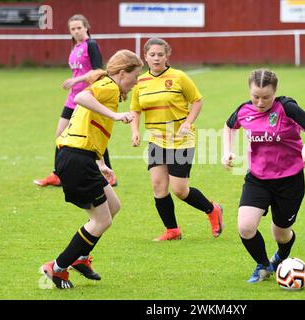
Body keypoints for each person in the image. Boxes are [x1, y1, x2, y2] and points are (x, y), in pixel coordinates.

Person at [41, 49, 143, 289]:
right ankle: (57, 268)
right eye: (134, 76)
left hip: (82, 157)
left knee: (113, 206)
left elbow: (86, 124)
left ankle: (81, 258)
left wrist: (100, 162)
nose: (136, 81)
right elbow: (80, 98)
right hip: (76, 159)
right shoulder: (108, 86)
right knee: (101, 221)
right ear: (121, 73)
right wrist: (116, 115)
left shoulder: (107, 87)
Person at [222, 69, 305, 283]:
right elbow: (229, 127)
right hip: (258, 179)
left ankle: (281, 257)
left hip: (289, 181)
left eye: (266, 97)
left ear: (275, 92)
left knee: (281, 233)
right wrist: (226, 151)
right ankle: (263, 266)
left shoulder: (287, 108)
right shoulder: (244, 110)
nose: (260, 102)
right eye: (255, 96)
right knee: (246, 227)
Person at [130, 38, 223, 241]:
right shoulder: (140, 82)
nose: (156, 58)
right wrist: (135, 131)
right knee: (158, 185)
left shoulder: (179, 77)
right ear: (145, 57)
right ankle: (172, 230)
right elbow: (136, 110)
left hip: (181, 140)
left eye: (160, 54)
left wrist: (188, 122)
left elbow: (197, 101)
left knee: (180, 190)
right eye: (152, 55)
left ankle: (212, 209)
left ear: (167, 55)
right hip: (156, 139)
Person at [34, 14, 117, 187]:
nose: (76, 31)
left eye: (79, 27)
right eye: (73, 29)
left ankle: (107, 172)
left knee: (93, 133)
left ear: (86, 27)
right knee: (60, 134)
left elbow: (98, 71)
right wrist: (74, 82)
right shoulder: (76, 47)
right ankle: (57, 174)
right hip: (73, 98)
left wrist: (75, 81)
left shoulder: (91, 45)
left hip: (87, 97)